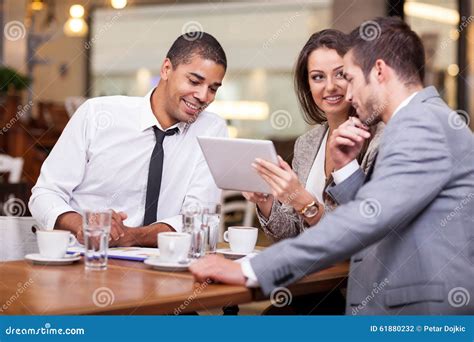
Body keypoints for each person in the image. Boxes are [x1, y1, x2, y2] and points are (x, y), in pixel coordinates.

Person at [190, 17, 474, 315]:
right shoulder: (424, 119)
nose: (346, 93)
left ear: (379, 71)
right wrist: (347, 168)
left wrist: (252, 269)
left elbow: (366, 220)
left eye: (348, 77)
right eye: (318, 77)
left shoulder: (419, 124)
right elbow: (378, 212)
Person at [29, 32, 228, 247]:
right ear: (166, 69)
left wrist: (131, 235)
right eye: (194, 81)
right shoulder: (97, 115)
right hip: (85, 258)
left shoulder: (211, 129)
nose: (203, 96)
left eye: (213, 88)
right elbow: (45, 193)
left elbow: (199, 217)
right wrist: (83, 226)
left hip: (163, 266)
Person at [244, 29, 383, 242]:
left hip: (352, 274)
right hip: (314, 273)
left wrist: (303, 201)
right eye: (318, 77)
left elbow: (361, 233)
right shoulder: (306, 143)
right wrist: (267, 201)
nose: (330, 86)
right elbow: (292, 234)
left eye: (340, 74)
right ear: (307, 84)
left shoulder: (379, 140)